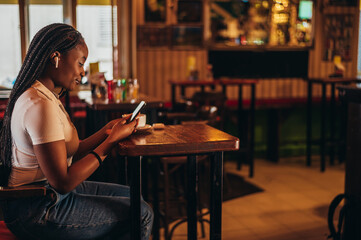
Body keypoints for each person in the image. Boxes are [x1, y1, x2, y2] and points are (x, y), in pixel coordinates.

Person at [0, 23, 153, 240]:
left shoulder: (46, 95)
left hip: (45, 197)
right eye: (80, 63)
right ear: (56, 58)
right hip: (36, 209)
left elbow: (72, 150)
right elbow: (62, 182)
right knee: (141, 214)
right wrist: (109, 144)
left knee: (133, 197)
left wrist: (107, 131)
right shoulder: (38, 104)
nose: (83, 72)